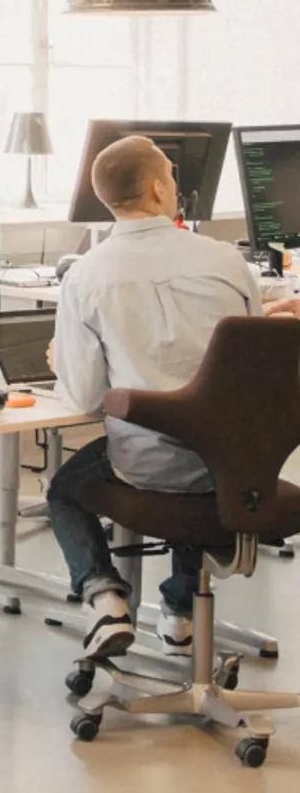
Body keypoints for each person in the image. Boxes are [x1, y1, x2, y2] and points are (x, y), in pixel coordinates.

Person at [47, 133, 259, 662]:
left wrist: (60, 363)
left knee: (65, 488)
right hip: (236, 468)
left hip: (147, 467)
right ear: (162, 186)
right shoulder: (228, 262)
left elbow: (86, 397)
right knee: (202, 433)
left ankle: (106, 597)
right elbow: (255, 365)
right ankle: (181, 612)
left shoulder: (87, 275)